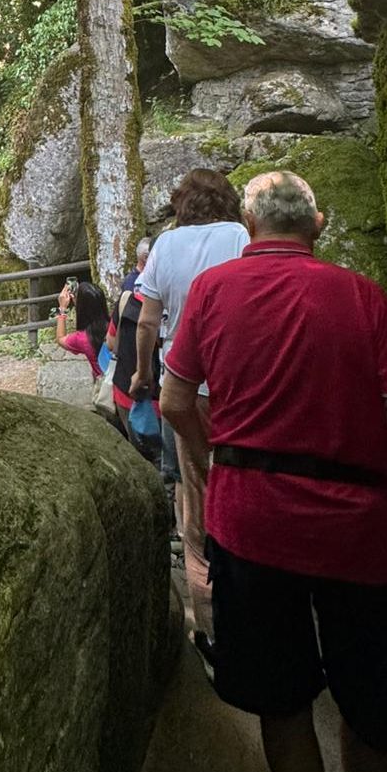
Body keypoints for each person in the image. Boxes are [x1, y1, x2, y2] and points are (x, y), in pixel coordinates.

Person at [159, 170, 387, 772]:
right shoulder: (362, 296)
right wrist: (367, 462)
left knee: (282, 700)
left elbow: (174, 400)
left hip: (252, 523)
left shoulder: (211, 290)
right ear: (317, 226)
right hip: (361, 535)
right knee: (370, 702)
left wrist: (219, 462)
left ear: (249, 227)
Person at [129, 169, 248, 656]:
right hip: (240, 382)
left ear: (182, 204)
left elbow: (147, 322)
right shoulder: (241, 235)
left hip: (187, 383)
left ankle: (211, 629)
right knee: (244, 482)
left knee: (195, 501)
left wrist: (143, 375)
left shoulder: (165, 246)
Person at [106, 239, 161, 460]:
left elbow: (111, 342)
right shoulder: (174, 303)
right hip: (160, 397)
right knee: (166, 462)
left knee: (138, 457)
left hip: (124, 391)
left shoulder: (126, 298)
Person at [54, 280, 109, 377]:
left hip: (104, 383)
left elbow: (60, 339)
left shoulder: (81, 338)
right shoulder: (114, 325)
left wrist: (62, 308)